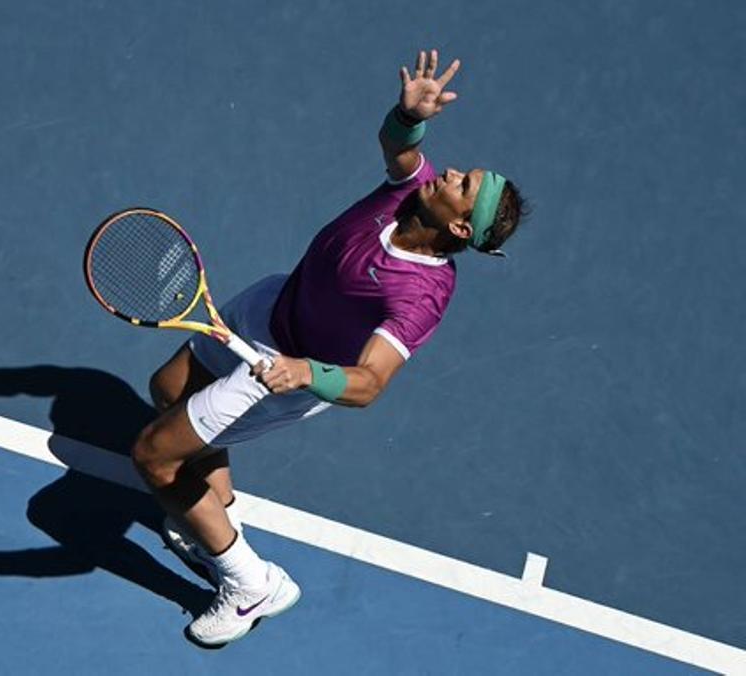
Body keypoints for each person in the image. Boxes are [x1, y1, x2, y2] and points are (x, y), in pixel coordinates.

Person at [131, 49, 527, 647]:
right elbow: (398, 144)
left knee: (155, 457)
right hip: (271, 307)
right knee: (167, 390)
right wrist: (407, 112)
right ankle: (218, 510)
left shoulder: (421, 292)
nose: (449, 174)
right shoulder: (412, 191)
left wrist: (302, 373)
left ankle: (250, 584)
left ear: (460, 229)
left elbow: (368, 383)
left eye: (462, 185)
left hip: (279, 370)